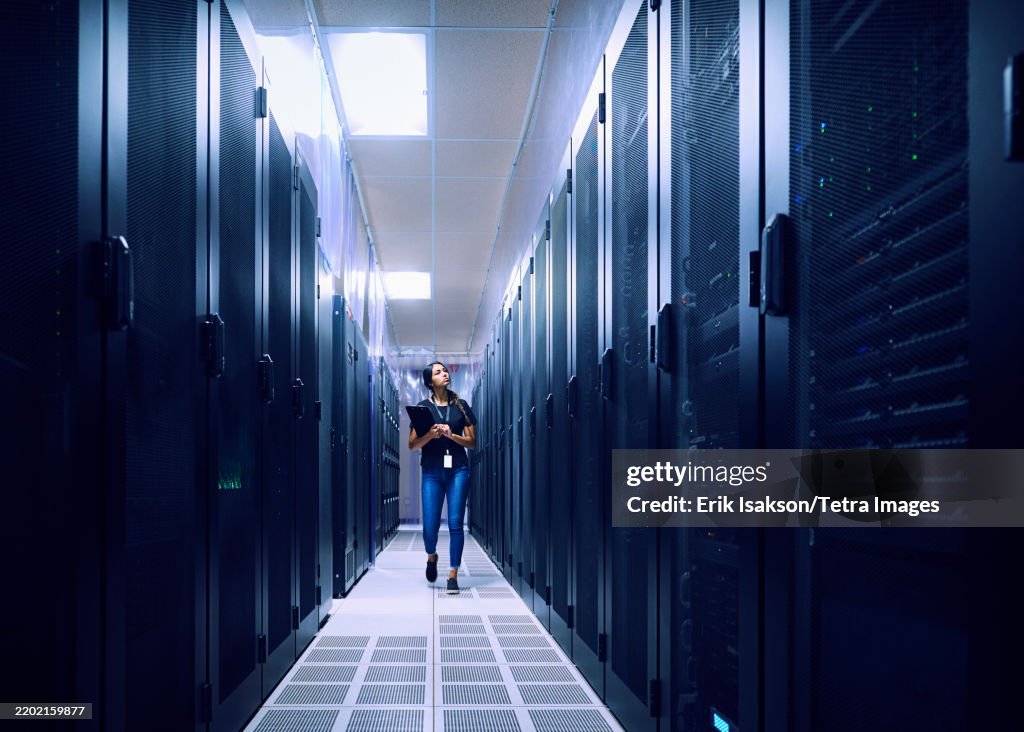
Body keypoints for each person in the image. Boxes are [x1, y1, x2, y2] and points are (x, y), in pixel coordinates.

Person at [408, 361, 476, 594]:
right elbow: (412, 444)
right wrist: (430, 434)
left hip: (458, 470)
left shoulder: (462, 406)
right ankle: (432, 555)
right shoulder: (421, 408)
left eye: (445, 370)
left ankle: (453, 573)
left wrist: (452, 435)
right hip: (432, 471)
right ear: (430, 382)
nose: (444, 374)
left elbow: (473, 442)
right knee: (430, 526)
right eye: (438, 372)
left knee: (456, 523)